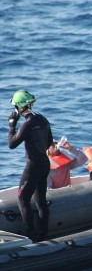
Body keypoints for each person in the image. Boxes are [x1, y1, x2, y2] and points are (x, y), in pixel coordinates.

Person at [8, 90, 53, 242]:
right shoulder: (43, 119)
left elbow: (12, 144)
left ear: (19, 107)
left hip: (33, 166)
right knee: (40, 200)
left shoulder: (27, 124)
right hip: (44, 164)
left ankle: (30, 236)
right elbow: (48, 143)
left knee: (22, 198)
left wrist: (12, 125)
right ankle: (43, 233)